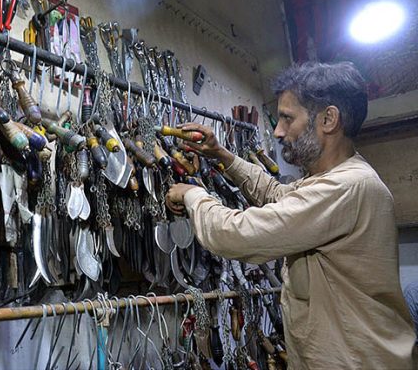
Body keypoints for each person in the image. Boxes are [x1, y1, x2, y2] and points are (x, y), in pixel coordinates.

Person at [166, 62, 416, 369]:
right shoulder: (332, 181)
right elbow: (276, 194)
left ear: (329, 119)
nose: (278, 131)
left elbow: (236, 235)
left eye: (287, 118)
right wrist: (223, 156)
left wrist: (192, 195)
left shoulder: (346, 187)